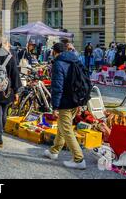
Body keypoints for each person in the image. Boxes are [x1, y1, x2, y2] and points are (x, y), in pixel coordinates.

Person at [43, 42, 86, 170]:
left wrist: (55, 106)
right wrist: (81, 102)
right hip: (75, 100)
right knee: (62, 126)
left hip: (65, 101)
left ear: (54, 52)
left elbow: (57, 87)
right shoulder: (75, 60)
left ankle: (79, 159)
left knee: (66, 129)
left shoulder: (58, 64)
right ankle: (54, 151)